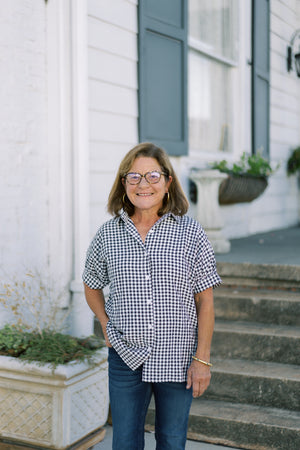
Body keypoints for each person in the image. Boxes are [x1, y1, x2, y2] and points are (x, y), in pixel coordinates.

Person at [82, 142, 221, 450]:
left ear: (168, 181)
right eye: (134, 177)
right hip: (125, 356)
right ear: (123, 184)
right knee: (125, 442)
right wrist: (105, 323)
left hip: (178, 357)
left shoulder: (191, 233)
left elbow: (205, 300)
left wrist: (202, 359)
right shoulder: (108, 234)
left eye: (153, 176)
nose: (143, 185)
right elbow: (91, 284)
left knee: (172, 441)